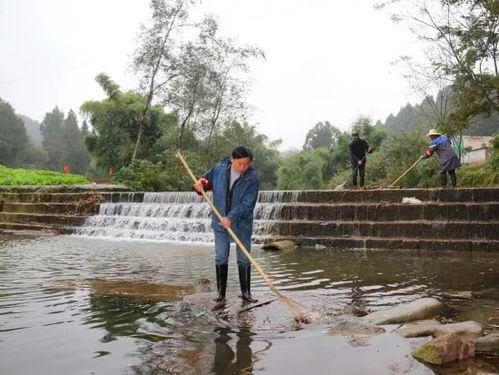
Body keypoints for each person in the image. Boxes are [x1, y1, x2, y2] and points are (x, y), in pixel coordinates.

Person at [194, 146, 259, 304]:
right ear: (232, 159)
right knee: (221, 256)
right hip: (219, 222)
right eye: (240, 164)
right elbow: (206, 183)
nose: (243, 168)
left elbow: (248, 204)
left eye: (246, 164)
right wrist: (199, 185)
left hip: (241, 224)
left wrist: (230, 217)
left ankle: (246, 293)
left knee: (244, 258)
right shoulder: (218, 169)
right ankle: (221, 294)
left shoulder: (252, 179)